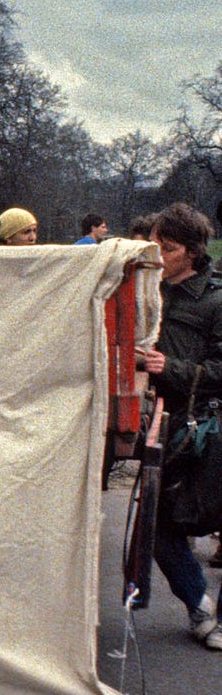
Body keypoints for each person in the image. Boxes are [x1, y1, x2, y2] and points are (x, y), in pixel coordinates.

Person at [138, 202, 222, 649]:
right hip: (161, 425)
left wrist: (172, 366)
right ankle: (199, 606)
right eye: (154, 243)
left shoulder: (216, 299)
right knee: (158, 526)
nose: (156, 254)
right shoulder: (146, 290)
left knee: (211, 516)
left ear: (190, 251)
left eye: (166, 248)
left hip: (209, 425)